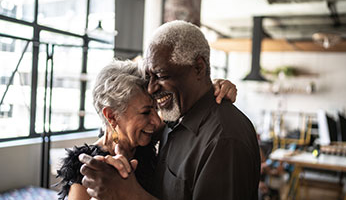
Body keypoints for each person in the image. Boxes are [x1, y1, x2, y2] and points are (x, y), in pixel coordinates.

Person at [79, 20, 260, 200]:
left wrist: (131, 195)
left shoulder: (224, 139)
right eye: (149, 77)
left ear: (198, 68)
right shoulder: (176, 119)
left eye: (162, 76)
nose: (151, 88)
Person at [57, 59, 237, 200]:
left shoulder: (150, 140)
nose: (157, 120)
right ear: (111, 116)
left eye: (156, 108)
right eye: (145, 112)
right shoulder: (88, 171)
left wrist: (213, 87)